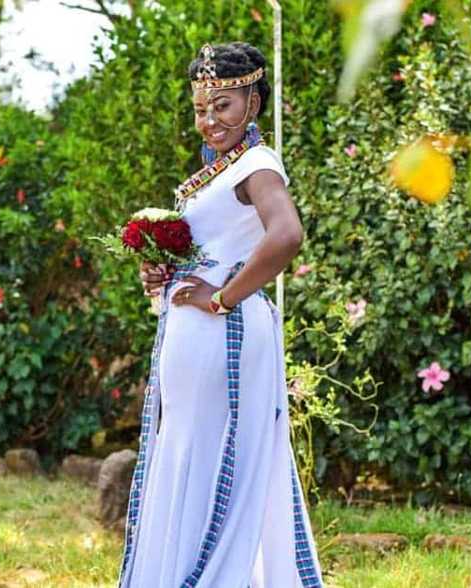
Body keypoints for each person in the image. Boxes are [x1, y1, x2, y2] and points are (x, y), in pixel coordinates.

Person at [119, 42, 324, 587]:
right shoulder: (218, 171)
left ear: (252, 104)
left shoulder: (258, 164)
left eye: (222, 106)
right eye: (200, 109)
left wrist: (222, 296)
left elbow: (287, 235)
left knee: (211, 454)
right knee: (189, 449)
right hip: (196, 335)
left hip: (223, 330)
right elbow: (212, 246)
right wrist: (162, 275)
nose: (209, 120)